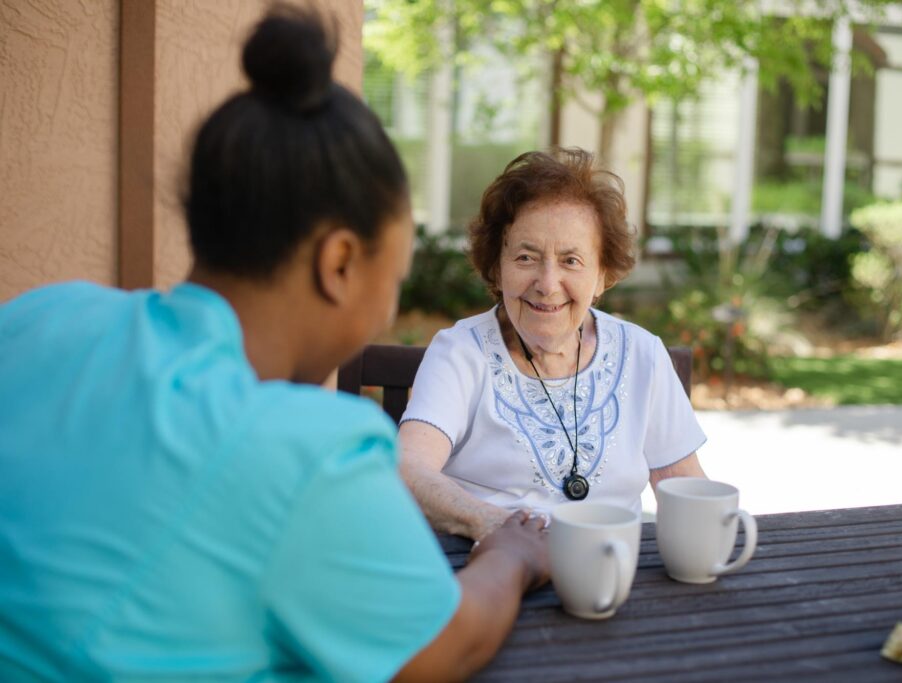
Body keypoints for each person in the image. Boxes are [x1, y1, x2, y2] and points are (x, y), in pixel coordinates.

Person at [0, 6, 547, 682]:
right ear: (340, 263)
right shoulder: (309, 451)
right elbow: (444, 645)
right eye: (393, 276)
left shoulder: (40, 318)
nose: (389, 306)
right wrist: (514, 553)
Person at [399, 148, 708, 541]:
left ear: (602, 276)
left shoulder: (642, 354)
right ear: (497, 266)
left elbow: (685, 490)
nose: (547, 284)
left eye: (571, 261)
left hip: (611, 577)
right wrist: (493, 525)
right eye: (526, 257)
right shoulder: (461, 354)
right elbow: (408, 469)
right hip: (495, 573)